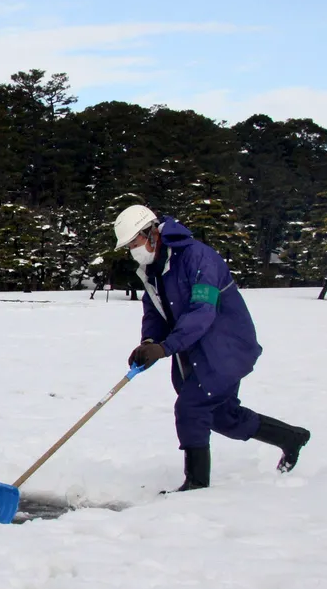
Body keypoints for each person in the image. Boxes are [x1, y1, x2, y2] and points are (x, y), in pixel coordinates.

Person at [113, 205, 311, 492]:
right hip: (194, 350)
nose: (133, 250)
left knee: (192, 407)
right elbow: (154, 311)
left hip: (225, 347)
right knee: (223, 417)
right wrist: (149, 343)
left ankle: (196, 484)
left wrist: (166, 348)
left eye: (135, 242)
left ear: (152, 232)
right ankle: (291, 438)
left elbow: (202, 312)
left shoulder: (198, 257)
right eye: (129, 246)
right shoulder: (152, 268)